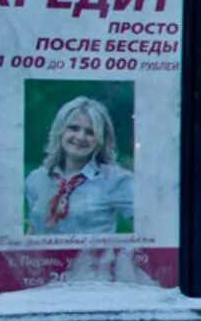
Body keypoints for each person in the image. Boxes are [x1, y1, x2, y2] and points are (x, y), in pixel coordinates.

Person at [24, 96, 135, 235]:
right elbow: (33, 230)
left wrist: (124, 256)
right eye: (74, 128)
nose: (80, 137)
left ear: (101, 139)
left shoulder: (117, 179)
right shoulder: (36, 178)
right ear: (60, 131)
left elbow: (151, 227)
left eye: (90, 132)